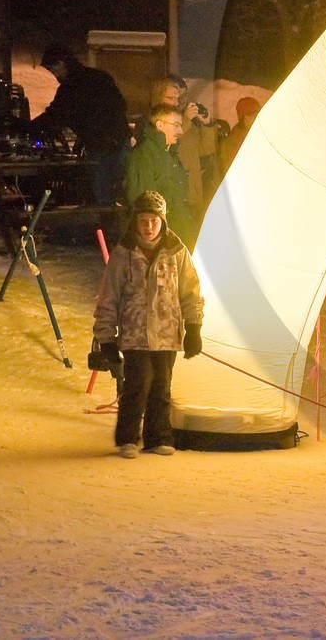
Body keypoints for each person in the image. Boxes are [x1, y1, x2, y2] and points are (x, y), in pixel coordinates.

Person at [93, 190, 204, 458]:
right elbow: (108, 297)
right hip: (135, 335)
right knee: (138, 384)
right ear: (135, 222)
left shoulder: (177, 252)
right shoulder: (123, 255)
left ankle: (158, 437)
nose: (149, 227)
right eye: (143, 221)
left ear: (163, 221)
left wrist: (194, 327)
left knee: (162, 387)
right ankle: (128, 438)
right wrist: (106, 338)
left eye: (154, 221)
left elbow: (190, 291)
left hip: (166, 333)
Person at [35, 44, 131, 207]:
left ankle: (105, 218)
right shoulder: (100, 77)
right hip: (120, 139)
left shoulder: (69, 88)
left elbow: (55, 117)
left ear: (61, 64)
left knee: (102, 194)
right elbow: (120, 105)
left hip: (100, 146)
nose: (54, 74)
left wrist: (27, 127)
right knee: (122, 191)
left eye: (53, 69)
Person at [125, 105, 198, 245]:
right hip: (164, 237)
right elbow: (144, 202)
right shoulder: (143, 155)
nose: (181, 131)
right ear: (160, 125)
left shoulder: (170, 154)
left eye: (180, 126)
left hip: (180, 231)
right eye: (176, 125)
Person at [149, 76, 219, 211]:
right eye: (172, 98)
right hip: (173, 196)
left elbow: (206, 149)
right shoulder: (151, 123)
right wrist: (185, 119)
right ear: (158, 97)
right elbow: (164, 144)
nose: (179, 102)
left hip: (193, 193)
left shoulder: (186, 123)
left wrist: (207, 124)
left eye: (183, 96)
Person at [218, 96, 261, 177]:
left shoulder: (257, 137)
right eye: (256, 115)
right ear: (246, 118)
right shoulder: (230, 144)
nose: (260, 119)